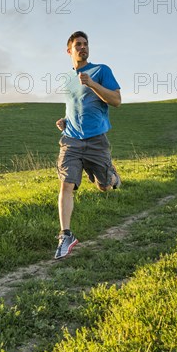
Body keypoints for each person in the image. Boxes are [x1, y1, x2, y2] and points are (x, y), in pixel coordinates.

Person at [54, 30, 122, 260]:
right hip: (71, 139)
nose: (83, 47)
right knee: (66, 185)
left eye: (85, 44)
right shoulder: (67, 79)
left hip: (96, 141)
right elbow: (74, 105)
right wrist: (65, 121)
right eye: (78, 45)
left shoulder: (101, 71)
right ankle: (66, 235)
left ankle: (111, 176)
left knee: (104, 187)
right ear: (69, 50)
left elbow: (116, 101)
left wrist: (92, 84)